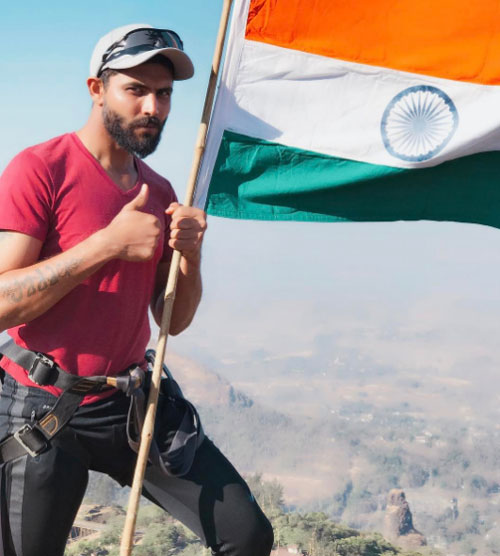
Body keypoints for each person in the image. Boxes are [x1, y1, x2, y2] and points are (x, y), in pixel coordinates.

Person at [0, 24, 273, 556]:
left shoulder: (162, 191)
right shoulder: (40, 170)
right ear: (96, 89)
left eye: (165, 93)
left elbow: (172, 320)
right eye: (136, 89)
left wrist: (190, 256)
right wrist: (106, 245)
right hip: (42, 401)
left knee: (246, 535)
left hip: (128, 403)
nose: (153, 106)